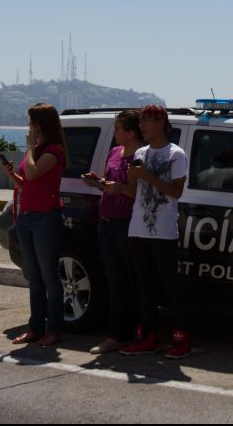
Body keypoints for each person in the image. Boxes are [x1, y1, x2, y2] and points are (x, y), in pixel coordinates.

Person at [119, 104, 191, 360]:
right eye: (141, 121)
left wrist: (147, 175)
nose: (143, 126)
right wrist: (110, 184)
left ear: (161, 123)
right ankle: (147, 337)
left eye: (147, 121)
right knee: (144, 287)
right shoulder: (140, 152)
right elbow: (132, 191)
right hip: (137, 229)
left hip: (163, 232)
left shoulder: (176, 154)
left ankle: (181, 338)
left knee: (171, 287)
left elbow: (175, 192)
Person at [2, 103, 68, 348]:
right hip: (27, 217)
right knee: (34, 277)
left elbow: (32, 174)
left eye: (31, 122)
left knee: (50, 277)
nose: (29, 127)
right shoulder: (37, 150)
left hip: (45, 219)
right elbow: (26, 183)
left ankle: (55, 329)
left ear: (40, 125)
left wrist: (29, 148)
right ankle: (36, 327)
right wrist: (11, 174)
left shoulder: (53, 151)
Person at [83, 110, 144, 355]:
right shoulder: (114, 153)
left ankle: (124, 333)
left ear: (130, 132)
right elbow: (109, 184)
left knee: (130, 280)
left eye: (118, 129)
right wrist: (98, 182)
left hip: (127, 223)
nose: (115, 133)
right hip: (106, 222)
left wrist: (119, 187)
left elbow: (137, 192)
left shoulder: (140, 156)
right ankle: (118, 333)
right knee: (113, 279)